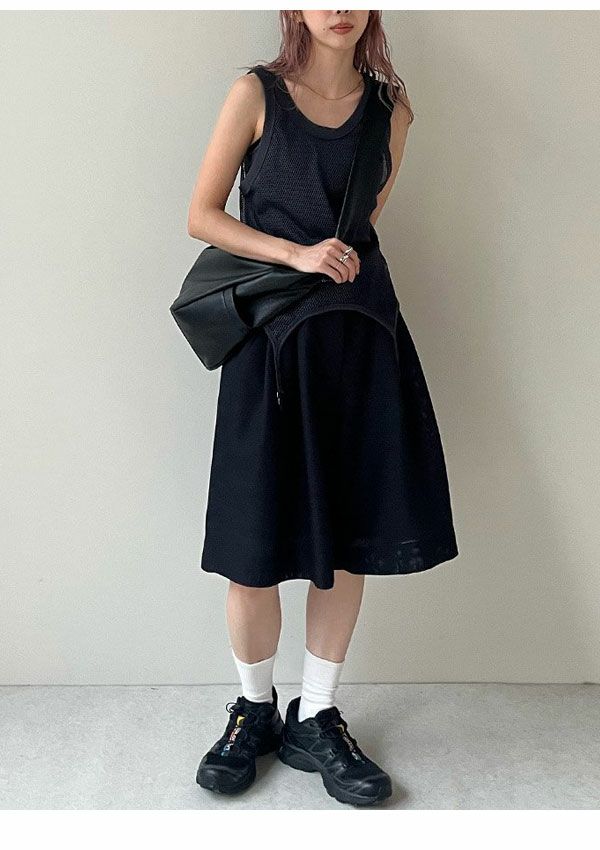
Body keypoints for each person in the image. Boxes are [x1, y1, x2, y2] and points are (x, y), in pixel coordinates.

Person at [186, 10, 459, 807]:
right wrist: (294, 253)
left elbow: (363, 224)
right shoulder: (255, 94)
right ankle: (254, 710)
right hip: (269, 347)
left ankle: (318, 713)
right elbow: (202, 215)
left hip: (360, 340)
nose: (339, 6)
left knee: (345, 535)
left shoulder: (392, 110)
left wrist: (329, 259)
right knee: (252, 540)